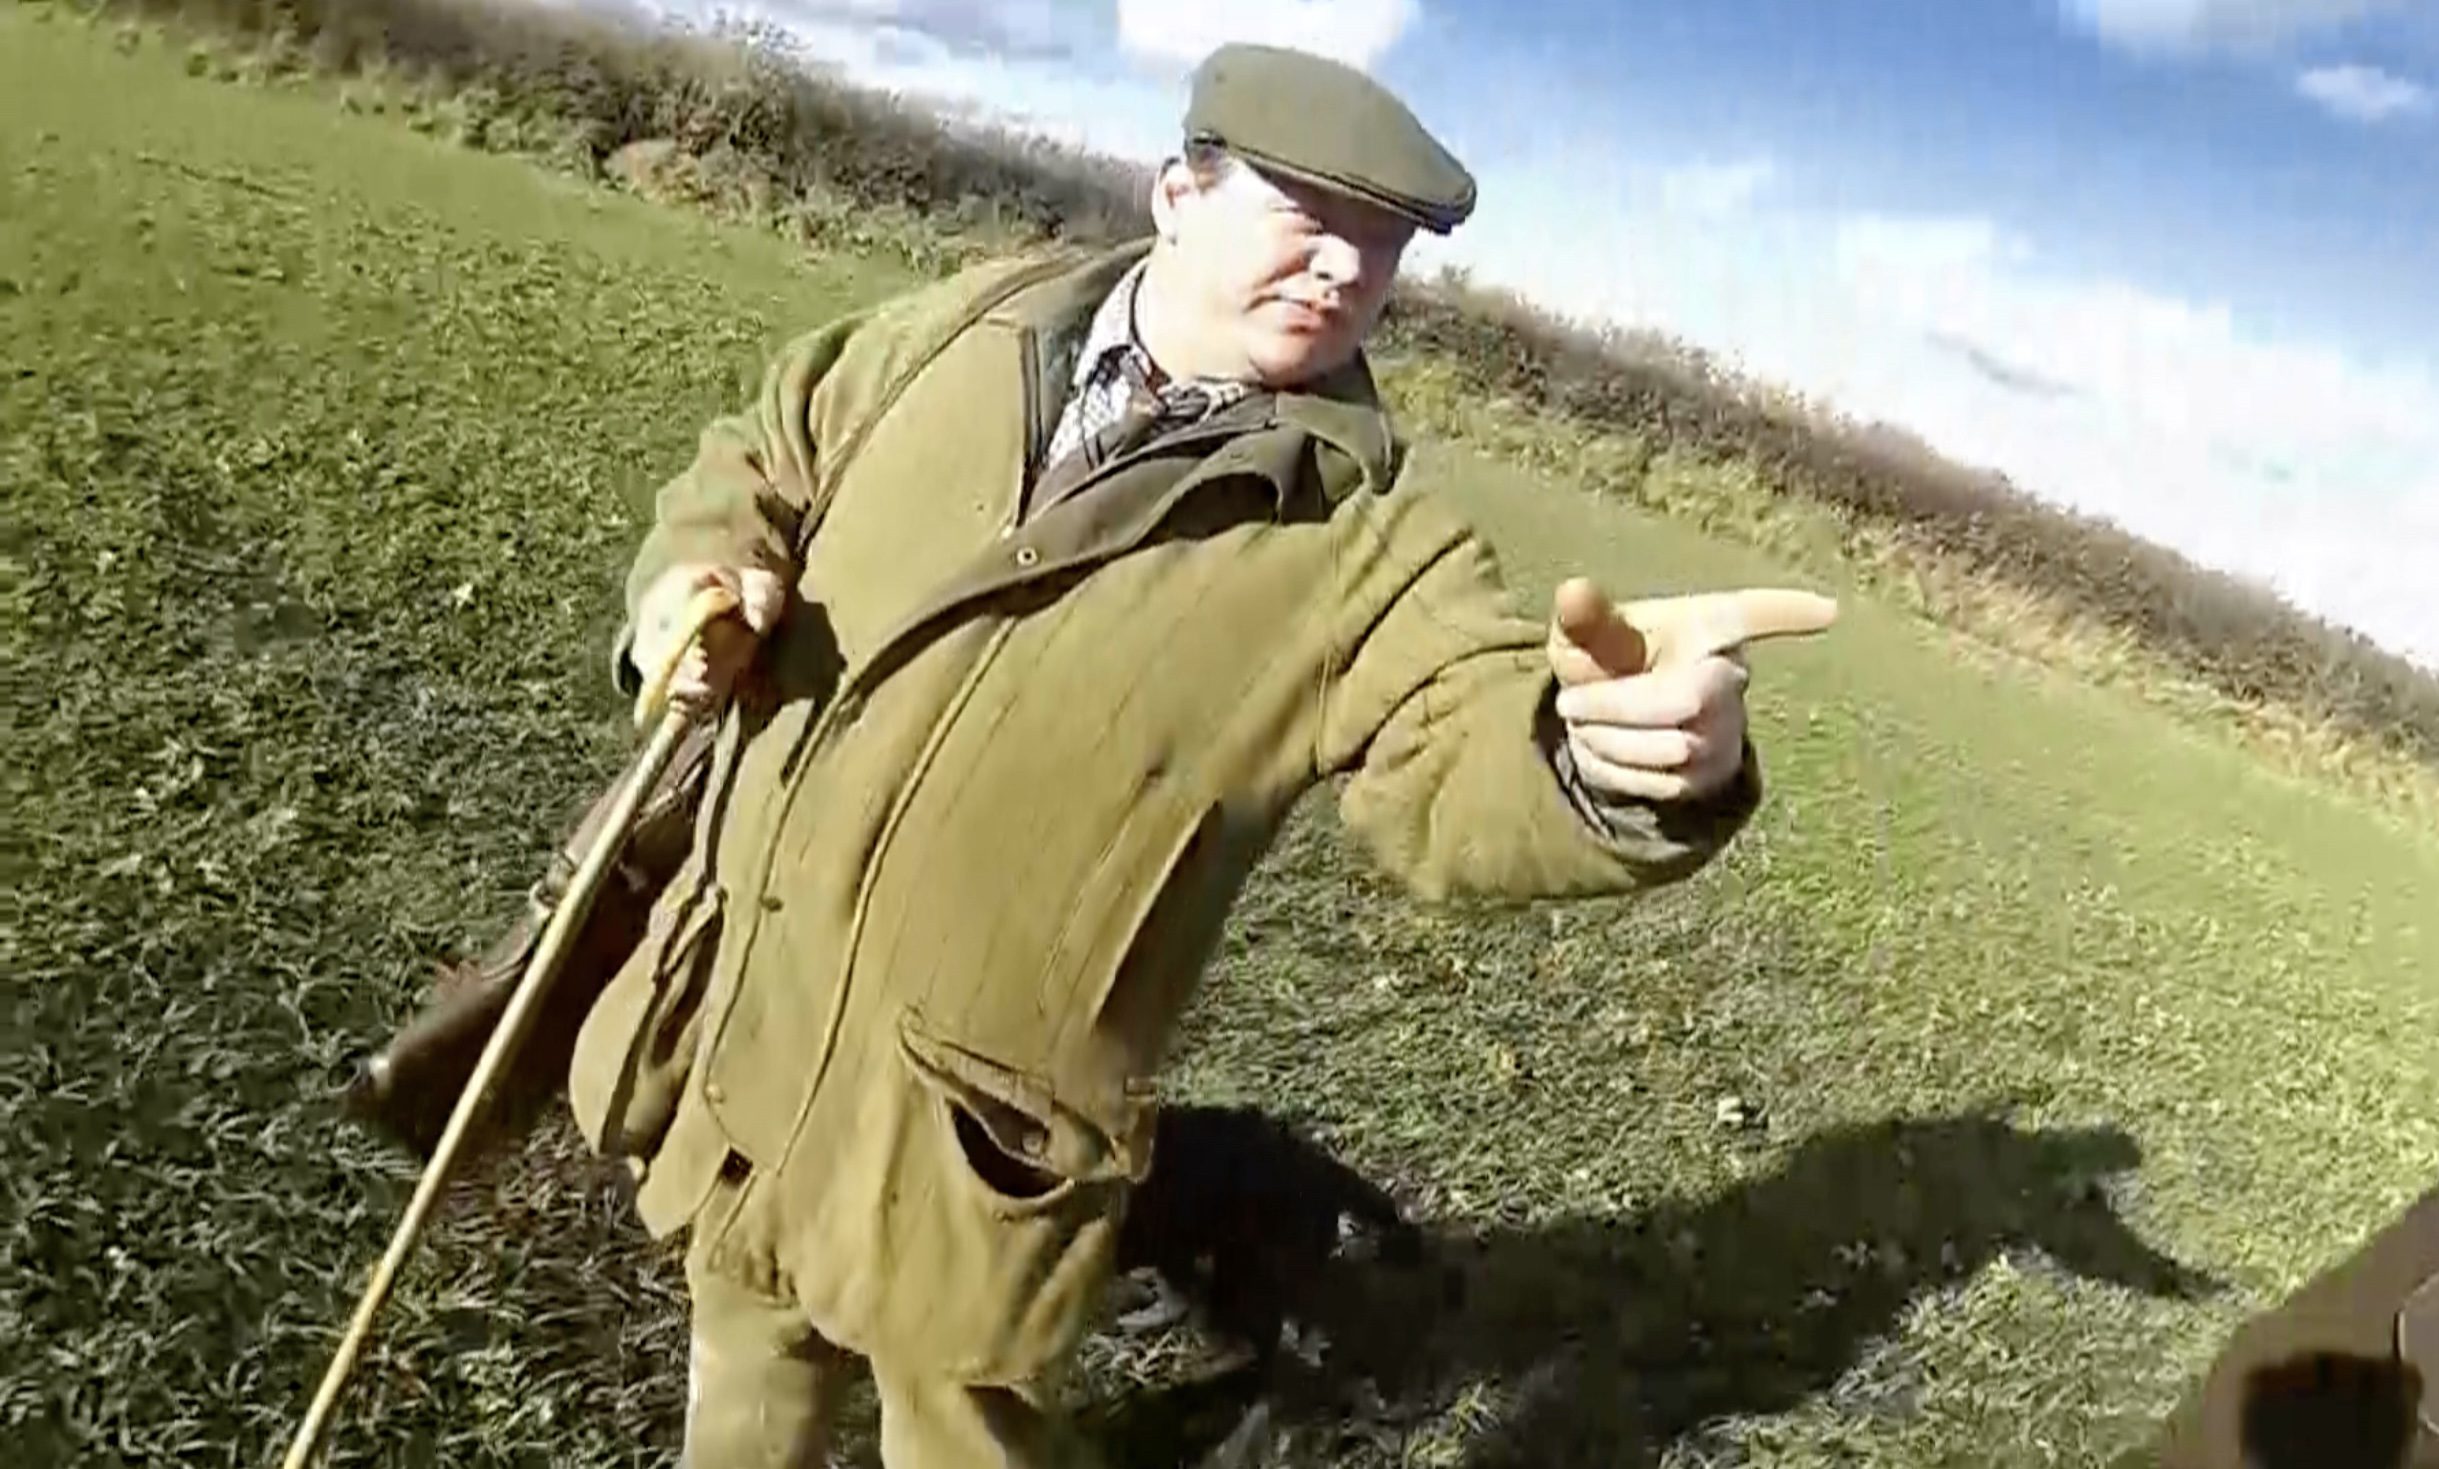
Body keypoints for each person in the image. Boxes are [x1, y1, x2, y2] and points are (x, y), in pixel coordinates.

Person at [564, 40, 1835, 1467]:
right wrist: (699, 578)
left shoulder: (1367, 547)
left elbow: (1464, 748)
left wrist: (1619, 762)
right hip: (755, 1031)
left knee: (964, 1430)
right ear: (1176, 192)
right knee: (740, 1385)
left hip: (977, 1150)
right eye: (1309, 220)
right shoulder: (970, 325)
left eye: (1382, 252)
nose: (1346, 273)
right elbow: (769, 448)